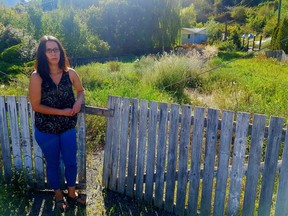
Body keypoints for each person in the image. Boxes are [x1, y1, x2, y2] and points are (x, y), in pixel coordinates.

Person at [29, 35, 85, 211]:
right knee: (52, 163)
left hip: (68, 127)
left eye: (56, 49)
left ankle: (72, 193)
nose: (54, 53)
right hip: (46, 130)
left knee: (70, 162)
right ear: (43, 54)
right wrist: (61, 112)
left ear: (61, 52)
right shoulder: (37, 77)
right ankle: (58, 195)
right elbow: (36, 106)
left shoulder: (71, 73)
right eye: (49, 50)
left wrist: (78, 102)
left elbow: (81, 91)